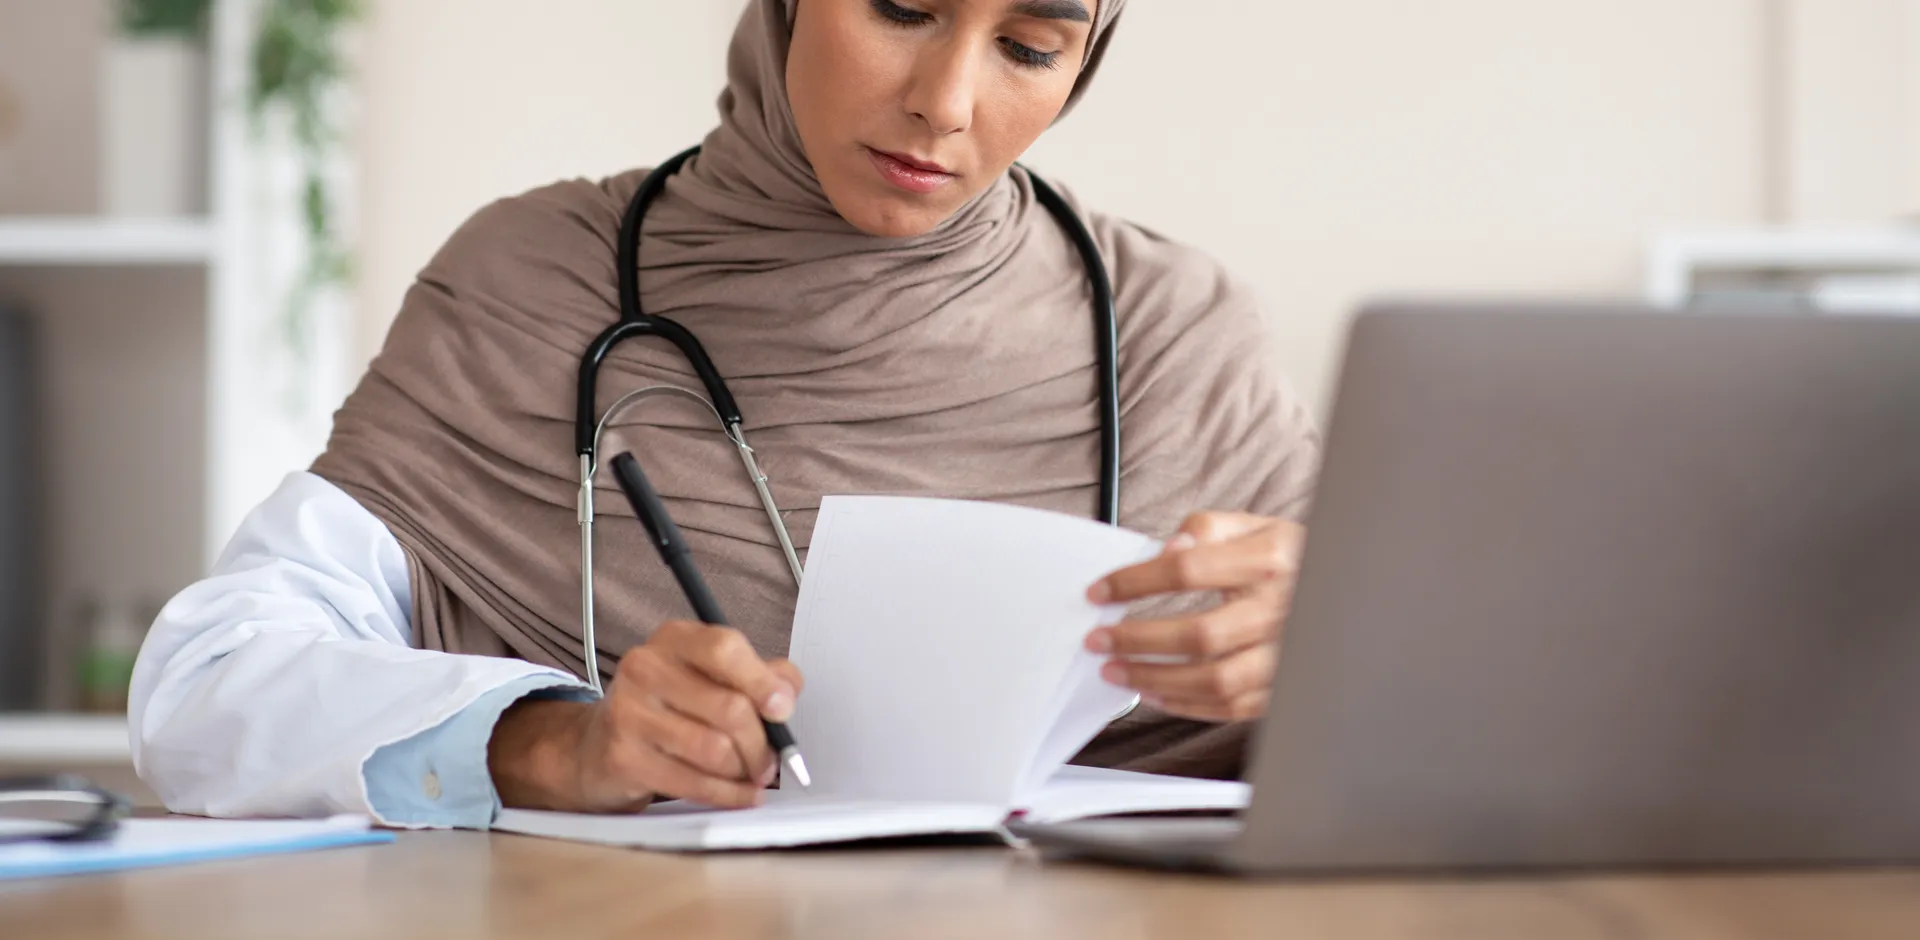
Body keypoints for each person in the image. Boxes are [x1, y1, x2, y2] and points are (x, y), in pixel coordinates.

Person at [128, 0, 1319, 827]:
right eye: (901, 9)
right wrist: (551, 743)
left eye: (1028, 46)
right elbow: (205, 687)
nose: (947, 103)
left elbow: (1442, 734)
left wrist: (1330, 651)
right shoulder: (538, 280)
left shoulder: (1172, 332)